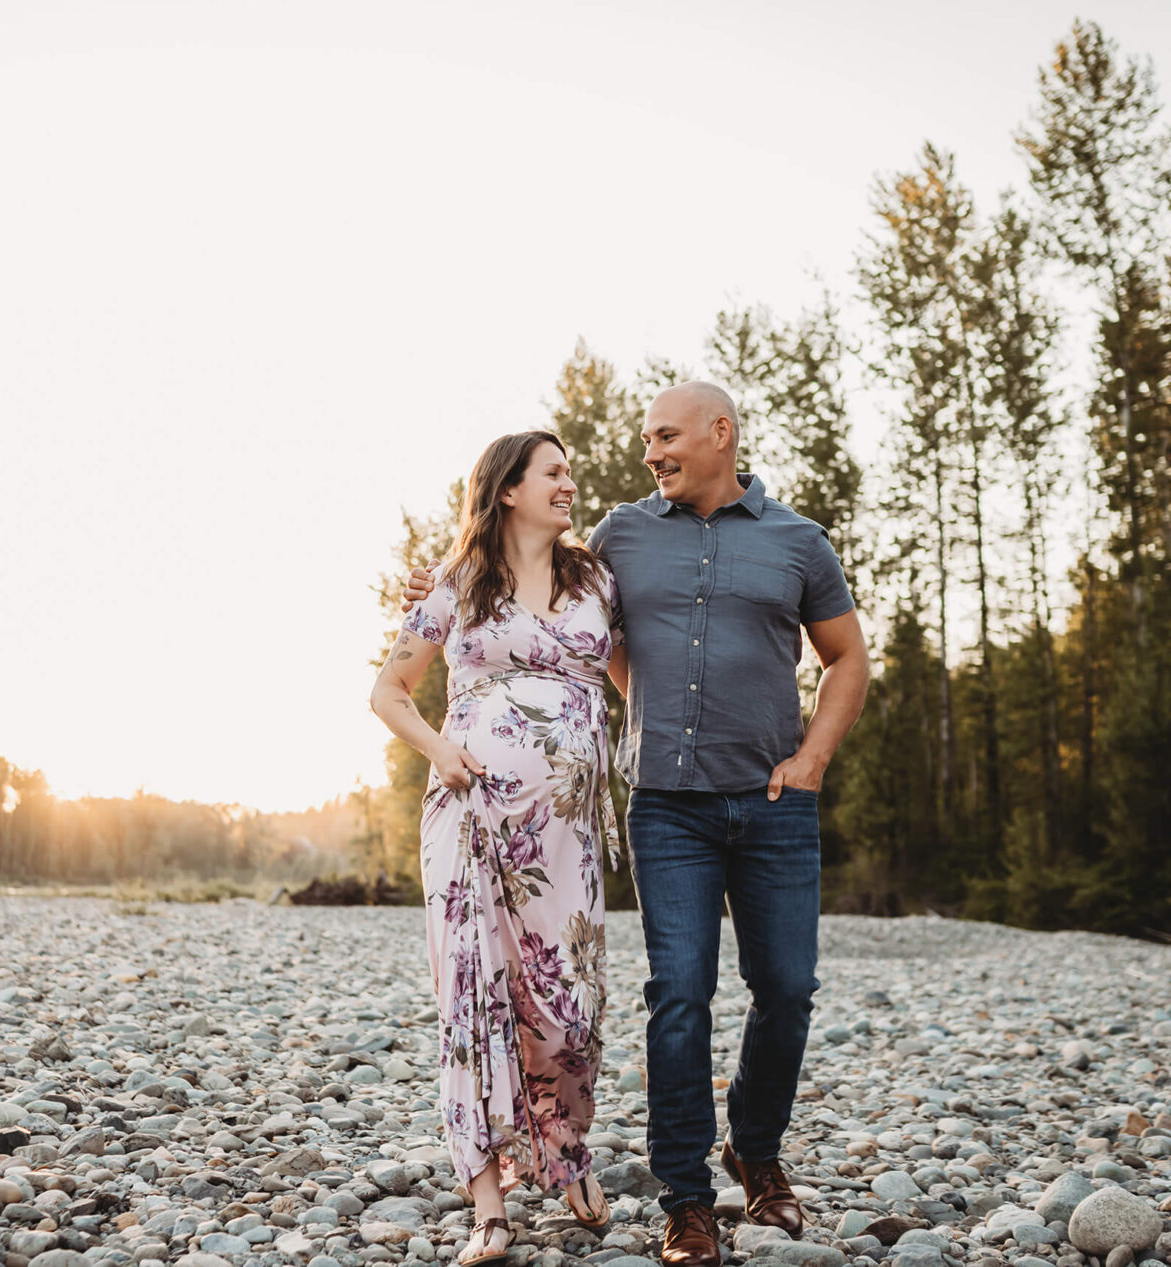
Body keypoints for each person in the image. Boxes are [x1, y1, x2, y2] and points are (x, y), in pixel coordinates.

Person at [404, 383, 869, 1266]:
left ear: (718, 434)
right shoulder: (621, 535)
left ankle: (755, 1149)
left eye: (664, 436)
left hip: (774, 804)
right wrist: (439, 584)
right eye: (646, 439)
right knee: (679, 996)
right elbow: (559, 616)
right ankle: (686, 1202)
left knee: (789, 989)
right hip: (667, 808)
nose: (649, 452)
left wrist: (810, 760)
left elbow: (848, 656)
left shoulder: (798, 541)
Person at [371, 429, 621, 1266]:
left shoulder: (598, 580)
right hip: (472, 820)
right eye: (553, 471)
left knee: (571, 1008)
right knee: (474, 1002)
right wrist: (441, 752)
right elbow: (388, 690)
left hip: (568, 833)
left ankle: (563, 1150)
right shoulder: (457, 583)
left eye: (569, 471)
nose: (569, 483)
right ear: (508, 488)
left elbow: (637, 671)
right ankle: (489, 1206)